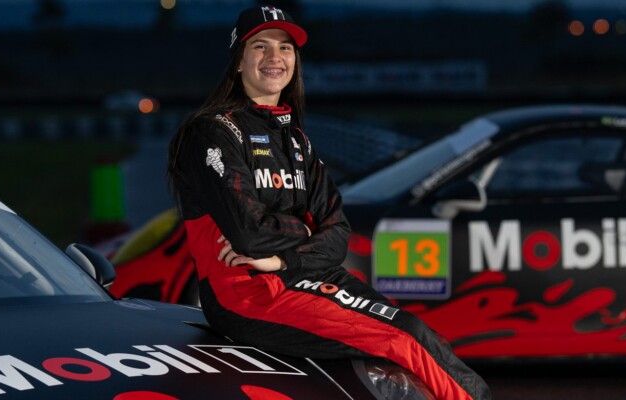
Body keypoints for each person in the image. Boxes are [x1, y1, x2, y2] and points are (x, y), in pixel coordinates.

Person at [166, 6, 491, 400]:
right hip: (248, 296)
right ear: (238, 61)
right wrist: (302, 229)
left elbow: (337, 234)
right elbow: (249, 234)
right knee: (407, 339)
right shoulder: (213, 132)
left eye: (285, 48)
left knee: (418, 334)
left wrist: (286, 258)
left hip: (300, 276)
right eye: (260, 47)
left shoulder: (298, 142)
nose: (275, 58)